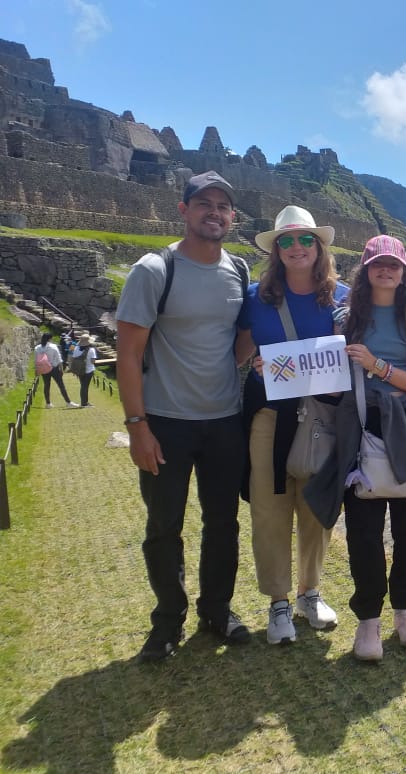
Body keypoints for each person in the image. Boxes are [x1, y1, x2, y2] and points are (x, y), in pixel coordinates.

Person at [115, 170, 251, 662]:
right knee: (163, 525)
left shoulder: (239, 271)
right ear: (184, 210)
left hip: (223, 420)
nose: (214, 212)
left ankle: (216, 609)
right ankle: (167, 620)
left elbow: (235, 347)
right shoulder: (154, 270)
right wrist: (137, 427)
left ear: (232, 217)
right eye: (204, 204)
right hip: (165, 420)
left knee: (223, 522)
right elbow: (127, 353)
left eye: (223, 206)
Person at [235, 206, 349, 645]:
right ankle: (278, 600)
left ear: (319, 247)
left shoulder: (342, 297)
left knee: (315, 508)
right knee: (269, 506)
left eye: (305, 239)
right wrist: (258, 364)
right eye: (287, 241)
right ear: (276, 250)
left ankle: (310, 591)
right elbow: (240, 354)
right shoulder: (255, 298)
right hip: (269, 414)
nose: (296, 247)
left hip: (322, 414)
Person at [338, 235, 406, 662]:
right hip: (359, 426)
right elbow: (323, 368)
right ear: (365, 271)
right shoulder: (345, 320)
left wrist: (378, 367)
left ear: (404, 274)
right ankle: (368, 622)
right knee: (363, 531)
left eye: (393, 265)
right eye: (378, 264)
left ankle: (405, 612)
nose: (386, 271)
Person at [34, 332, 77, 408]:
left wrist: (37, 370)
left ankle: (48, 403)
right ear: (50, 338)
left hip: (44, 368)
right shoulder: (53, 346)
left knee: (46, 385)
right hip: (54, 368)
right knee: (61, 385)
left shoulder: (37, 348)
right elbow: (59, 358)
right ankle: (68, 402)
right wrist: (61, 368)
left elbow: (36, 360)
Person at [69, 333, 98, 407]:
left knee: (83, 385)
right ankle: (84, 403)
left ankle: (84, 402)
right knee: (85, 387)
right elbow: (93, 361)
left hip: (79, 370)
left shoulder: (76, 348)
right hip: (88, 370)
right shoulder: (91, 350)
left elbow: (73, 358)